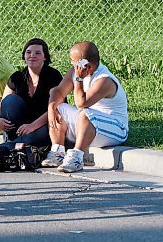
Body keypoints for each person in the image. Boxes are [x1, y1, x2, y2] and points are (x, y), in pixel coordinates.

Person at [41, 41, 128, 173]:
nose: (71, 64)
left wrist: (79, 80)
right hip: (89, 124)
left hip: (116, 129)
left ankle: (76, 158)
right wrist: (51, 108)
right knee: (59, 108)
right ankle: (58, 152)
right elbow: (57, 91)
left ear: (84, 64)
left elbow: (81, 103)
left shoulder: (104, 80)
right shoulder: (75, 72)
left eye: (73, 61)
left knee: (84, 113)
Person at [0, 38, 63, 147]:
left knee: (37, 136)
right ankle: (16, 141)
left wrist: (32, 126)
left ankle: (6, 147)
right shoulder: (17, 77)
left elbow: (57, 107)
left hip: (44, 123)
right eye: (28, 52)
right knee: (10, 100)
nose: (32, 55)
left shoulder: (54, 76)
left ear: (45, 57)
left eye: (38, 53)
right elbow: (4, 102)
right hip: (21, 124)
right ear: (24, 55)